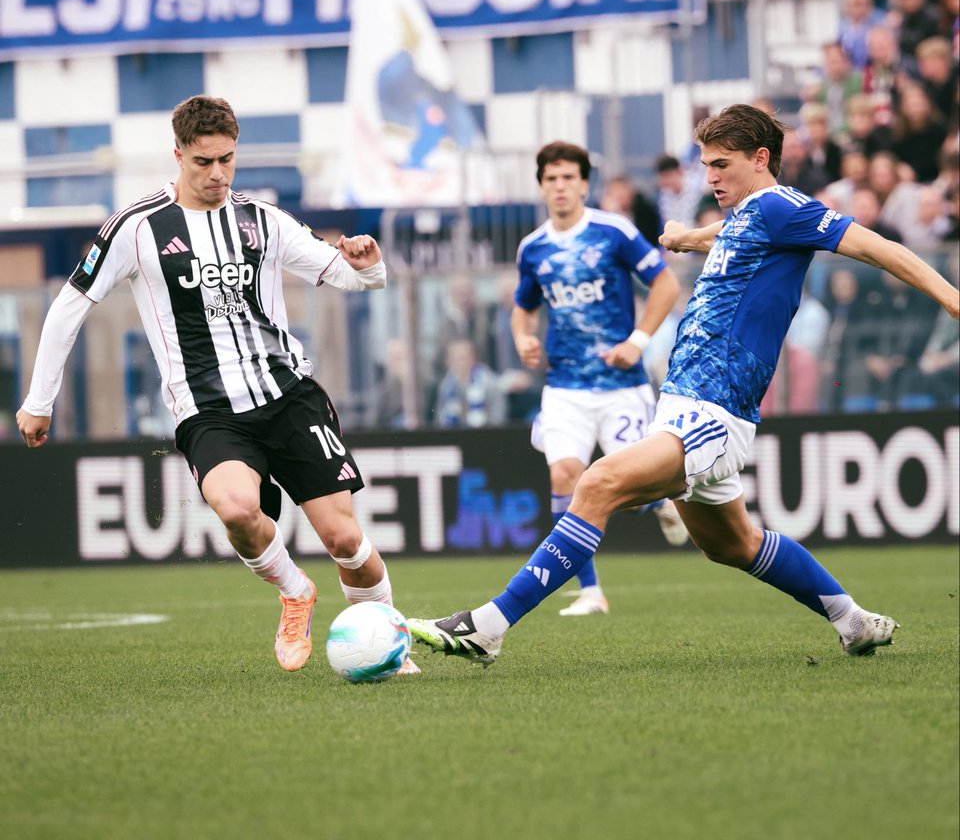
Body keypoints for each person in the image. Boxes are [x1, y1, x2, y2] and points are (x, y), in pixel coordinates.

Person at [408, 105, 959, 663]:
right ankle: (853, 620)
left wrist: (951, 298)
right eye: (705, 165)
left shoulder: (782, 205)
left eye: (721, 165)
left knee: (597, 484)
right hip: (685, 402)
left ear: (761, 158)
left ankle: (489, 625)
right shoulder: (753, 213)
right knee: (732, 544)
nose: (710, 176)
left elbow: (879, 248)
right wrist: (690, 237)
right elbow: (737, 231)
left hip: (714, 406)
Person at [16, 95, 418, 676]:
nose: (217, 174)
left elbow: (353, 279)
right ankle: (294, 592)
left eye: (227, 160)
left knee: (345, 540)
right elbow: (69, 306)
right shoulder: (137, 228)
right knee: (234, 509)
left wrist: (368, 261)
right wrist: (39, 400)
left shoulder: (263, 220)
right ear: (177, 154)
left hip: (288, 396)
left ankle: (390, 646)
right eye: (203, 162)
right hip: (207, 411)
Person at [505, 141, 687, 620]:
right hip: (564, 387)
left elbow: (666, 284)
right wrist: (523, 338)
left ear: (584, 184)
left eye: (569, 178)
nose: (560, 186)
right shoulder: (534, 248)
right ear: (542, 185)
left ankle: (660, 504)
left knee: (627, 490)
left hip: (621, 386)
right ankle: (590, 591)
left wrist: (639, 339)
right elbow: (523, 308)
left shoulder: (614, 231)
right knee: (565, 475)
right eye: (552, 178)